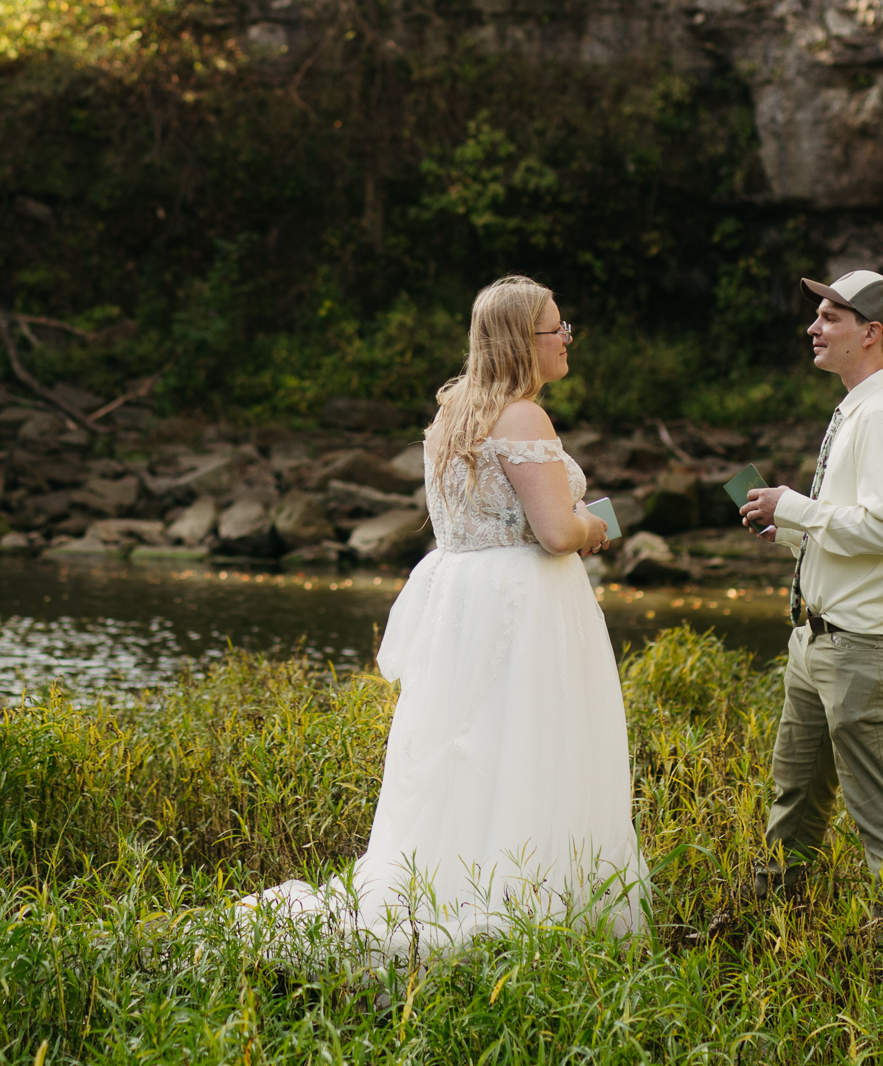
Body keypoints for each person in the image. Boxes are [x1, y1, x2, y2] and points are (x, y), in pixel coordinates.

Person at [243, 274, 648, 955]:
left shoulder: (454, 410)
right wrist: (599, 524)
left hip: (466, 606)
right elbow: (553, 532)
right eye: (557, 329)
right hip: (523, 606)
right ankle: (526, 900)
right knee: (528, 745)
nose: (566, 340)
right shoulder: (522, 416)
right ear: (525, 340)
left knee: (470, 749)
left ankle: (450, 877)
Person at [740, 270, 883, 908]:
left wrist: (794, 506)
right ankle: (769, 927)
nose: (813, 327)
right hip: (817, 642)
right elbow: (860, 530)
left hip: (865, 648)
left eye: (830, 316)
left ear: (871, 333)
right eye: (818, 314)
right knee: (794, 801)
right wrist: (790, 531)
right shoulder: (858, 409)